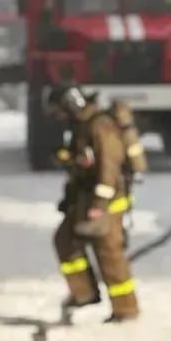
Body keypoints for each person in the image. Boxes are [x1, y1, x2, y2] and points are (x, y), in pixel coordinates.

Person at [47, 85, 139, 322]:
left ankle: (126, 309)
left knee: (109, 253)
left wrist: (100, 203)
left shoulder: (100, 125)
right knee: (65, 240)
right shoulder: (82, 124)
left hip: (107, 201)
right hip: (86, 198)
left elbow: (109, 165)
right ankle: (84, 293)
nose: (60, 117)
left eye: (61, 111)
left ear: (72, 104)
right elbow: (86, 160)